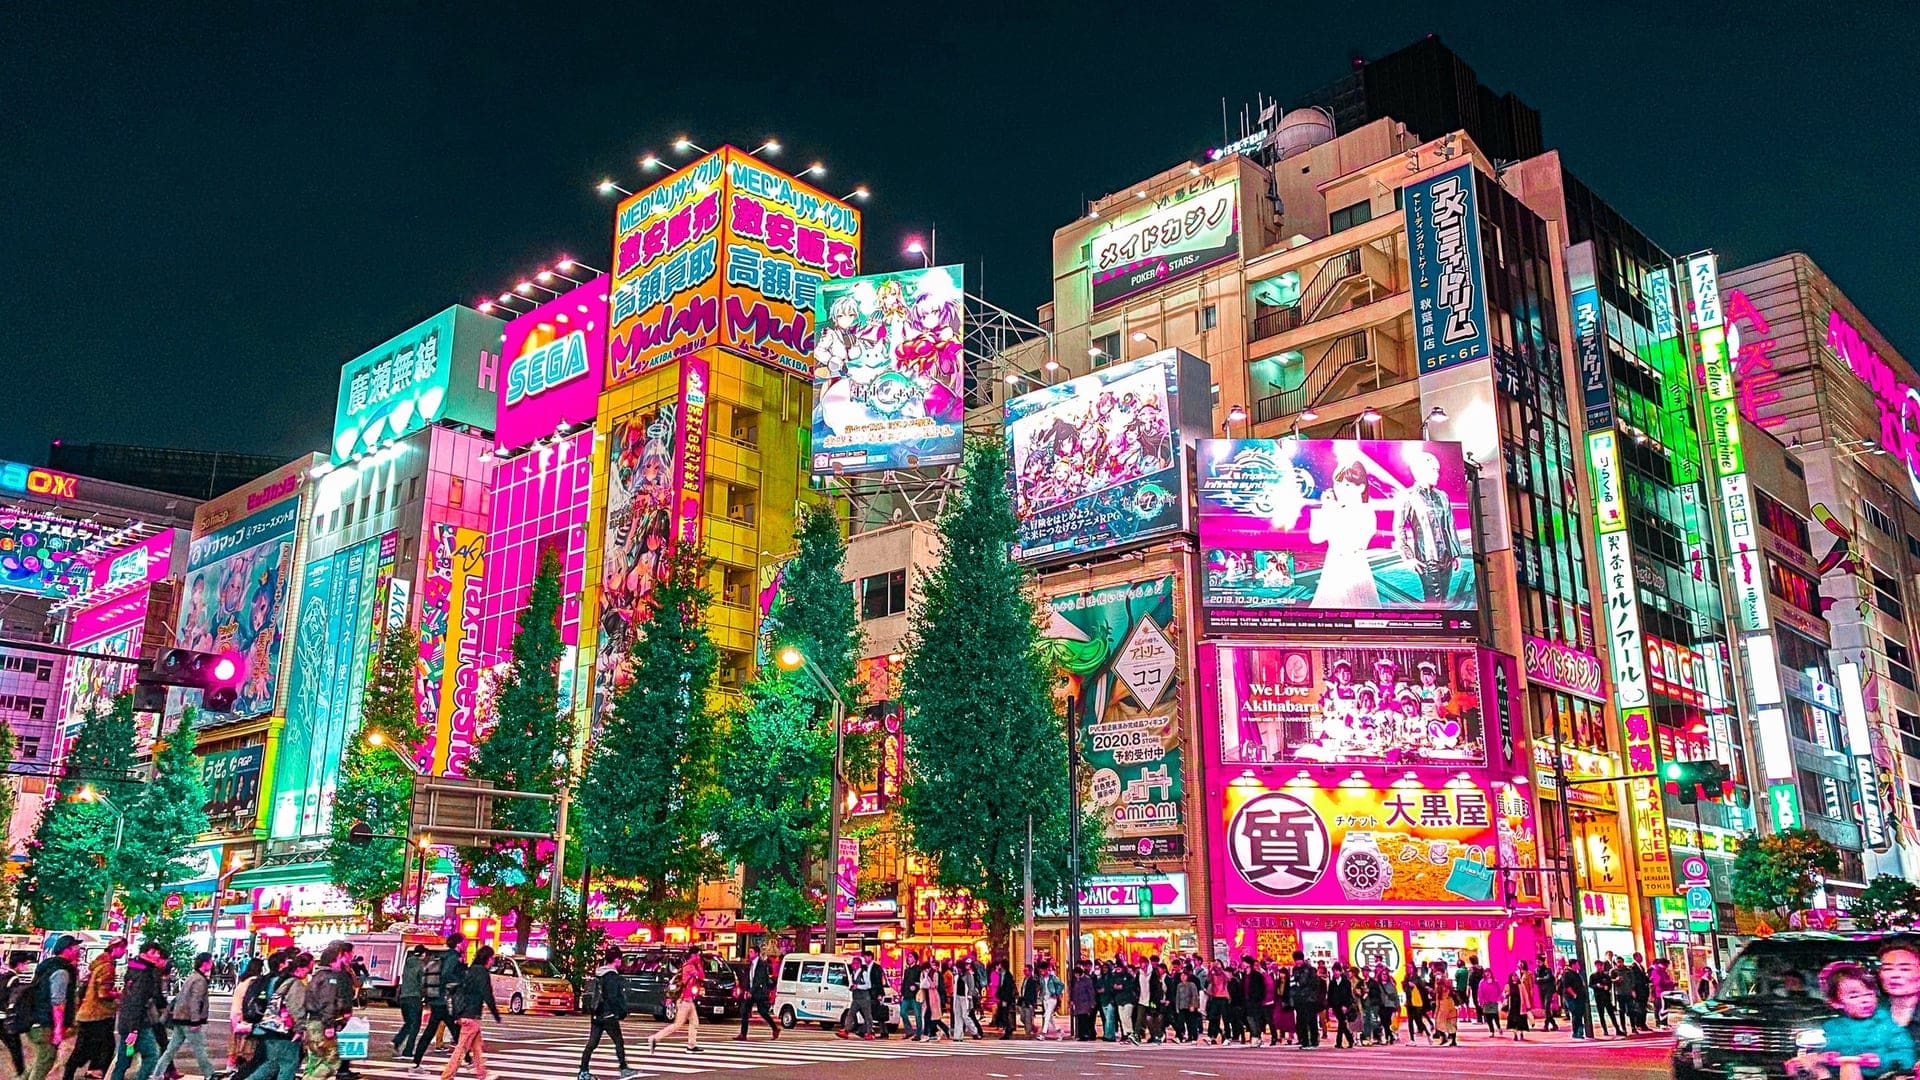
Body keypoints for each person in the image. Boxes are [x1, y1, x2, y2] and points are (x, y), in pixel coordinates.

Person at [1810, 961, 1915, 1079]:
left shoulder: (1889, 1024)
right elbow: (1814, 1054)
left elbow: (1907, 1056)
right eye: (1854, 996)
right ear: (1836, 1002)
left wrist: (1879, 1060)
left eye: (1869, 994)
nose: (1865, 1000)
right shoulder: (1830, 1028)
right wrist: (1824, 1058)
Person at [1391, 448, 1460, 604]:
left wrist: (1456, 554)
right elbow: (1398, 528)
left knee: (1443, 600)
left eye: (1437, 470)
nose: (1437, 474)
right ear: (1420, 471)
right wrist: (1408, 557)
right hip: (1426, 559)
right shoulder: (1408, 496)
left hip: (1447, 557)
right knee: (1433, 602)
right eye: (1433, 470)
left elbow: (1450, 524)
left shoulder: (1443, 496)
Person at [106, 941, 169, 1080]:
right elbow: (136, 1002)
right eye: (153, 952)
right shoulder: (144, 975)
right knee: (152, 1055)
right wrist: (133, 1030)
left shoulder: (135, 969)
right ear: (143, 954)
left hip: (128, 1021)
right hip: (138, 1024)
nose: (157, 955)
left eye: (158, 953)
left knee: (124, 1060)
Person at [68, 937, 129, 1080]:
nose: (124, 952)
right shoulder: (108, 967)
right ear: (116, 948)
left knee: (88, 1047)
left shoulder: (98, 963)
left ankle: (86, 1071)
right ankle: (92, 1071)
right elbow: (103, 993)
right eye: (123, 949)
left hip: (88, 1012)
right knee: (105, 1047)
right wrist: (119, 994)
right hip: (99, 1013)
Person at [23, 935, 82, 1080]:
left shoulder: (47, 966)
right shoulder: (62, 971)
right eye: (76, 948)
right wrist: (58, 1028)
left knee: (40, 1061)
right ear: (67, 950)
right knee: (45, 1060)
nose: (79, 951)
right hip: (46, 1023)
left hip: (36, 1019)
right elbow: (58, 1002)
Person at [440, 945, 500, 1080]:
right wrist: (495, 1013)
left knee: (477, 1047)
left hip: (465, 1013)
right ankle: (447, 1076)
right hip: (471, 1015)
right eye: (492, 958)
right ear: (487, 958)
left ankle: (482, 1073)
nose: (493, 961)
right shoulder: (482, 972)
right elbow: (487, 994)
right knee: (461, 1048)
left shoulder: (470, 970)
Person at [153, 952, 215, 1079]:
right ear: (205, 963)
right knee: (199, 1049)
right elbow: (195, 1001)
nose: (212, 964)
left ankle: (157, 1073)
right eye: (210, 961)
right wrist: (195, 1021)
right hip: (189, 1020)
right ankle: (209, 1074)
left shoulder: (192, 977)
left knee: (171, 1049)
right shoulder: (200, 980)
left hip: (179, 1018)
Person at [302, 941, 357, 1080]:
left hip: (312, 1021)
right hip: (321, 1023)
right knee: (332, 1059)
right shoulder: (330, 977)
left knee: (315, 1059)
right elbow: (328, 1001)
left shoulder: (318, 975)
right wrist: (329, 1025)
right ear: (335, 959)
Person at [411, 934, 467, 1069]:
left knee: (432, 1032)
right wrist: (460, 982)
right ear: (459, 944)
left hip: (437, 1000)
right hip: (445, 1000)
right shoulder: (453, 957)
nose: (467, 944)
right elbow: (447, 974)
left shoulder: (443, 956)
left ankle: (416, 1062)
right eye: (465, 942)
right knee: (456, 1032)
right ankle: (470, 1060)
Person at [579, 945, 634, 1079]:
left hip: (596, 1013)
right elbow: (613, 997)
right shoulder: (612, 977)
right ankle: (623, 1068)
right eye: (620, 959)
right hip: (608, 1014)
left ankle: (583, 1071)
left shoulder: (599, 974)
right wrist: (621, 1011)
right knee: (618, 1041)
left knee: (591, 1044)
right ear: (616, 960)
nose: (621, 961)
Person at [256, 954, 311, 1080]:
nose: (307, 974)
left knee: (271, 1065)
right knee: (289, 1064)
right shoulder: (296, 984)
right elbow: (296, 1008)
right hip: (285, 1030)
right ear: (299, 969)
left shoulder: (277, 980)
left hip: (270, 1027)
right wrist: (299, 1029)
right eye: (307, 970)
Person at [647, 952, 704, 1055]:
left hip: (688, 1000)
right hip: (684, 1001)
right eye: (697, 955)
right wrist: (699, 964)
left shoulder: (687, 966)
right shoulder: (689, 967)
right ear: (692, 956)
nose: (698, 957)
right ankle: (654, 1038)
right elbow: (701, 976)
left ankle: (691, 1045)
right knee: (678, 1024)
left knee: (694, 1022)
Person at [228, 958, 267, 1079]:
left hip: (235, 1018)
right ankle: (241, 1074)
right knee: (248, 1051)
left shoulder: (243, 981)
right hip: (245, 1018)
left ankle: (232, 1070)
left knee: (235, 1048)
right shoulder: (254, 982)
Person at [0, 952, 34, 1075]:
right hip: (4, 1018)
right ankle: (21, 1073)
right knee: (15, 1047)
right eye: (26, 964)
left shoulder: (3, 976)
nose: (26, 967)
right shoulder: (13, 979)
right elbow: (11, 999)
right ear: (19, 964)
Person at [736, 946, 777, 1041]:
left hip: (759, 991)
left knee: (762, 1011)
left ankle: (775, 1028)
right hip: (751, 991)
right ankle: (743, 1034)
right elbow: (748, 979)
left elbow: (759, 979)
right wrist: (746, 990)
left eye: (751, 952)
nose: (749, 954)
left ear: (757, 953)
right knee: (745, 1010)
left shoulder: (762, 964)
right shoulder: (750, 964)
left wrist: (751, 991)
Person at [392, 946, 425, 1060]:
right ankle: (408, 1050)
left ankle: (396, 1041)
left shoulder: (407, 963)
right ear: (423, 954)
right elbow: (422, 983)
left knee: (408, 1023)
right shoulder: (421, 965)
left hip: (403, 997)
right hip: (414, 998)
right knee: (415, 1025)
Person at [1560, 960, 1591, 1040]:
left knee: (1579, 1014)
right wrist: (1574, 995)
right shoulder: (1567, 974)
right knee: (1576, 1014)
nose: (1579, 966)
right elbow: (1567, 986)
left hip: (1579, 997)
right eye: (1577, 964)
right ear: (1573, 965)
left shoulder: (1576, 973)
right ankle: (1576, 1032)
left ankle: (1580, 1032)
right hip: (1572, 998)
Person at [1327, 963, 1356, 1049]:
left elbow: (1348, 995)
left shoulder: (1346, 982)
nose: (1335, 973)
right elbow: (1330, 995)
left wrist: (1346, 1005)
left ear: (1340, 971)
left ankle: (1340, 1042)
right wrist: (1330, 1006)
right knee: (1342, 1023)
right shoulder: (1332, 983)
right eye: (1334, 971)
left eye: (1337, 971)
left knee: (1342, 1022)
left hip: (1343, 1006)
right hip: (1335, 1006)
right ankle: (1349, 1040)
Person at [899, 953, 923, 1041]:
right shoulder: (907, 970)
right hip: (906, 995)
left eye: (911, 957)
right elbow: (904, 982)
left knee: (917, 1015)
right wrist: (902, 992)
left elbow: (921, 982)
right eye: (908, 957)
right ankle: (909, 1030)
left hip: (915, 995)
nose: (908, 958)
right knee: (902, 1012)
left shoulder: (918, 969)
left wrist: (916, 986)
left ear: (915, 959)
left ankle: (918, 1033)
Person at [1068, 965, 1094, 1042]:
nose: (1076, 975)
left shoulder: (1087, 979)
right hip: (1077, 1003)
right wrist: (1071, 1000)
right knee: (1079, 1019)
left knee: (1084, 1019)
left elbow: (1091, 992)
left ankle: (1085, 1034)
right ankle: (1081, 1034)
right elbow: (1073, 991)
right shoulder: (1075, 980)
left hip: (1085, 1002)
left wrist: (1092, 1003)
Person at [1503, 970, 1529, 1042]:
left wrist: (1528, 1005)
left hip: (1520, 1005)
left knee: (1521, 1020)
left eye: (1516, 976)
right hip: (1512, 1006)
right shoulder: (1508, 986)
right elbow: (1504, 994)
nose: (1514, 978)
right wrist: (1506, 994)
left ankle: (1521, 1033)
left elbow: (1525, 995)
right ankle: (1515, 1034)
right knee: (1513, 1021)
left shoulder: (1521, 985)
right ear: (1511, 977)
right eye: (1513, 976)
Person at [1431, 980, 1459, 1047]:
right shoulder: (1449, 992)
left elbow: (1438, 1005)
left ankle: (1446, 1038)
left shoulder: (1441, 994)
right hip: (1450, 1011)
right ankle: (1452, 1040)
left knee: (1441, 1025)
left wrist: (1436, 1014)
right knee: (1451, 1026)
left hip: (1444, 1012)